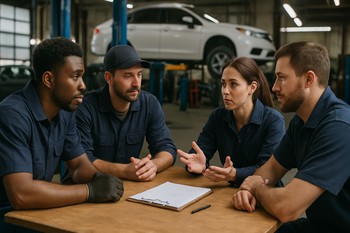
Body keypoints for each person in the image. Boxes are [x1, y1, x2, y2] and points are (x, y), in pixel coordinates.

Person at [0, 37, 124, 232]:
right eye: (75, 76)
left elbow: (78, 165)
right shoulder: (12, 115)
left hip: (37, 212)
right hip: (8, 218)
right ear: (49, 79)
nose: (83, 85)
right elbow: (21, 195)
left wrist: (100, 180)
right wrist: (89, 190)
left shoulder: (64, 113)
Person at [231, 41, 350, 232]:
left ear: (308, 79)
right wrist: (247, 189)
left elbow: (288, 208)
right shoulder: (301, 122)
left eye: (281, 78)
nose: (274, 87)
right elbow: (271, 168)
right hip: (321, 226)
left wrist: (256, 188)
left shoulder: (339, 127)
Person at [62, 44, 176, 183]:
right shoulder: (85, 108)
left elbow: (166, 148)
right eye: (128, 76)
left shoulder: (149, 104)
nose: (136, 83)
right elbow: (82, 161)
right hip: (85, 186)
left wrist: (153, 166)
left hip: (127, 186)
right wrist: (124, 171)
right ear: (109, 78)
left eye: (139, 74)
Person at [177, 57, 285, 187]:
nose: (225, 91)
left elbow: (267, 171)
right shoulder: (218, 117)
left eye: (233, 84)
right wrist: (198, 165)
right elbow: (200, 153)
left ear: (252, 87)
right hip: (231, 192)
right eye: (223, 84)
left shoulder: (273, 121)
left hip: (265, 193)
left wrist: (234, 174)